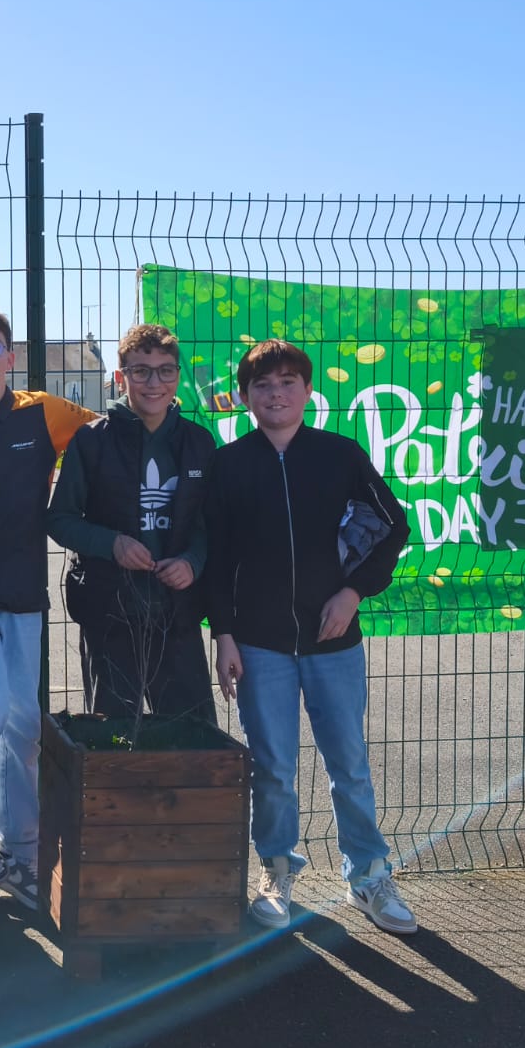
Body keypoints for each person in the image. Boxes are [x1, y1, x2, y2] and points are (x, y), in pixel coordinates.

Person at [205, 339, 417, 935]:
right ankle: (277, 872)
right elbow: (215, 557)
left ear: (307, 390)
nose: (276, 394)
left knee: (349, 763)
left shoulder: (339, 454)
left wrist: (354, 592)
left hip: (334, 643)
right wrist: (223, 634)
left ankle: (369, 875)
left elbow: (394, 526)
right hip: (259, 643)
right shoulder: (229, 464)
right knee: (273, 768)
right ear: (245, 396)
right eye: (263, 385)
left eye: (287, 382)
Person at [0, 305, 96, 908]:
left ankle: (20, 853)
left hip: (26, 593)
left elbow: (111, 431)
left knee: (24, 726)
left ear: (10, 356)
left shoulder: (44, 411)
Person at [47, 324, 217, 727]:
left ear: (178, 375)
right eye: (140, 371)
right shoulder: (92, 440)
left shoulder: (199, 442)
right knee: (116, 737)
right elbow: (59, 519)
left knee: (191, 735)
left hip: (177, 612)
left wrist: (192, 561)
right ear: (121, 377)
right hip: (110, 611)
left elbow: (210, 524)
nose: (154, 383)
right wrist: (112, 544)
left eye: (165, 370)